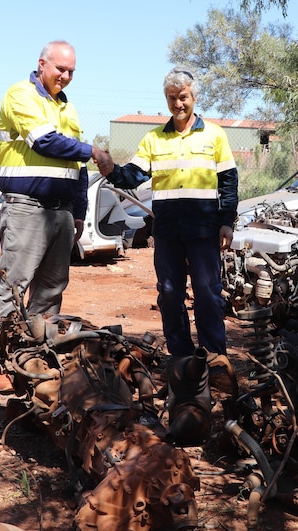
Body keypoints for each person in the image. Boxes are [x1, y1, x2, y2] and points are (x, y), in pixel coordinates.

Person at [0, 40, 113, 393]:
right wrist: (92, 150)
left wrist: (78, 213)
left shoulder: (66, 108)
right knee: (13, 288)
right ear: (42, 64)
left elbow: (77, 167)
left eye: (71, 71)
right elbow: (46, 142)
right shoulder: (21, 95)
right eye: (61, 69)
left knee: (50, 292)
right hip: (26, 206)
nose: (66, 76)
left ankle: (31, 359)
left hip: (60, 213)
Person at [100, 67, 238, 362]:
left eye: (184, 97)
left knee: (208, 294)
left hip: (204, 229)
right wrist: (111, 170)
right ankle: (182, 358)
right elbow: (133, 175)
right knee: (170, 294)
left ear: (194, 96)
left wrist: (227, 222)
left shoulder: (214, 135)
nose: (178, 104)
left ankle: (214, 359)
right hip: (167, 231)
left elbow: (228, 181)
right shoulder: (153, 139)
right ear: (166, 99)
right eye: (172, 98)